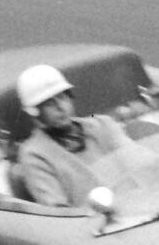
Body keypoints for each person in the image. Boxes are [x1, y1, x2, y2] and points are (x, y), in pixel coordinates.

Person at [16, 64, 133, 207]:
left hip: (140, 208)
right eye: (49, 103)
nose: (60, 107)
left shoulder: (103, 125)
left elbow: (142, 162)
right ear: (35, 112)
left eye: (61, 97)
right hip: (97, 220)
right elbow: (58, 209)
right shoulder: (34, 154)